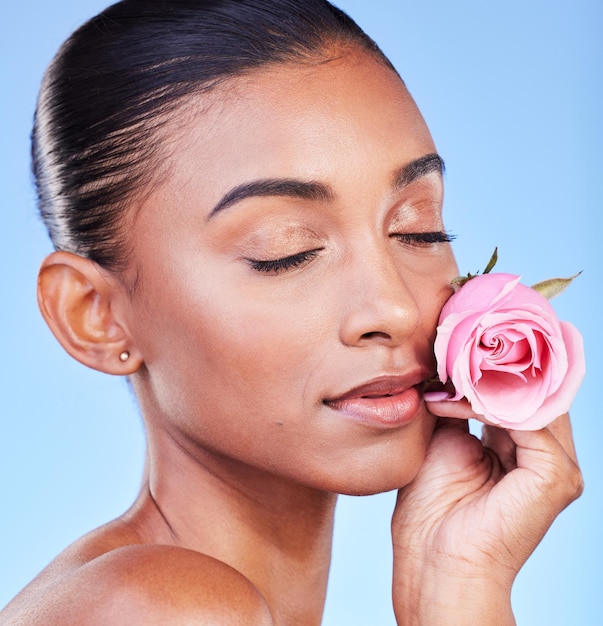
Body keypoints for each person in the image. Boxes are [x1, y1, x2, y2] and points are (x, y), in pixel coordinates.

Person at [1, 0, 583, 623]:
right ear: (95, 314)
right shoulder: (162, 605)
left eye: (417, 231)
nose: (392, 306)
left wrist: (461, 585)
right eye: (288, 251)